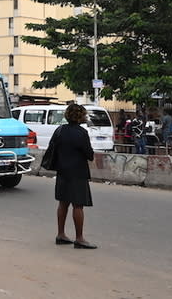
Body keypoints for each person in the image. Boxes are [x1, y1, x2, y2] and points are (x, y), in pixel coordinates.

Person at [52, 104, 97, 249]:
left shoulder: (60, 130)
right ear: (79, 116)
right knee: (78, 205)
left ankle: (61, 234)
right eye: (84, 114)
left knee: (63, 203)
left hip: (62, 171)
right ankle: (79, 238)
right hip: (77, 172)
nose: (85, 117)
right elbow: (89, 155)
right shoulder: (82, 133)